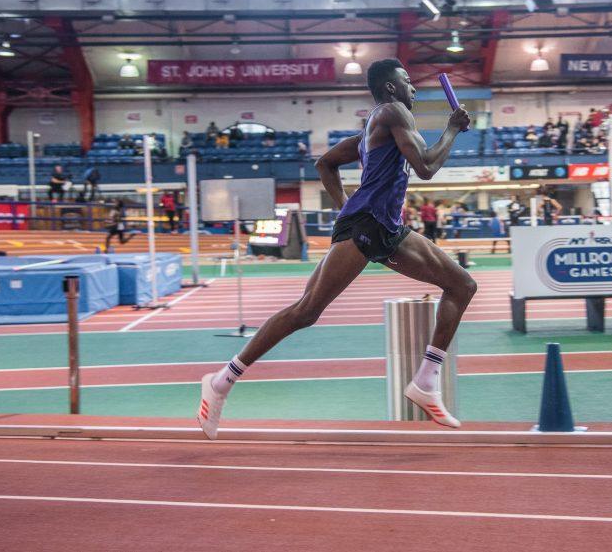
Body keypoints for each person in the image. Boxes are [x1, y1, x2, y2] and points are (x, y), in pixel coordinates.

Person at [197, 58, 474, 439]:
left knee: (462, 285)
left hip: (387, 229)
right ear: (391, 88)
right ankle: (221, 381)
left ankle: (426, 381)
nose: (414, 89)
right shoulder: (393, 112)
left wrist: (344, 202)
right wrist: (453, 129)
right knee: (306, 311)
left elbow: (324, 163)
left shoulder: (370, 132)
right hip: (365, 227)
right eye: (408, 82)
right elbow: (426, 167)